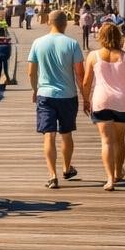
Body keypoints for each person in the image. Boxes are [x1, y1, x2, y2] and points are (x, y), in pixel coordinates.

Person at [81, 21, 125, 191]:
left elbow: (86, 82)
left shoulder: (93, 56)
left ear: (100, 37)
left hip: (101, 101)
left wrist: (85, 100)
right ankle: (118, 172)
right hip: (123, 102)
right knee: (120, 140)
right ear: (118, 37)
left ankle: (110, 179)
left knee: (106, 141)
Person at [27, 10, 86, 189]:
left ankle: (52, 175)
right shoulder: (72, 44)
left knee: (49, 135)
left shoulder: (38, 43)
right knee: (66, 134)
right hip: (68, 95)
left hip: (45, 94)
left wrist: (35, 89)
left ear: (48, 22)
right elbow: (79, 73)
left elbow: (31, 71)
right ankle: (66, 168)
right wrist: (86, 97)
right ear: (65, 23)